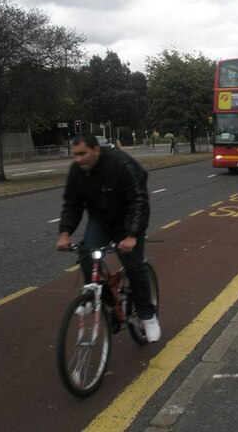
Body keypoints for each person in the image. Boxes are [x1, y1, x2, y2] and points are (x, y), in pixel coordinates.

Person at [56, 133, 161, 343]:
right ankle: (93, 298)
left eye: (83, 153)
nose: (78, 159)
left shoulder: (119, 163)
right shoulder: (77, 171)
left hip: (128, 220)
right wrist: (65, 232)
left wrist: (132, 235)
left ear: (96, 150)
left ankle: (148, 316)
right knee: (86, 253)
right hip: (101, 219)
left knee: (134, 267)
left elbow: (137, 199)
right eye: (75, 154)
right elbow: (72, 203)